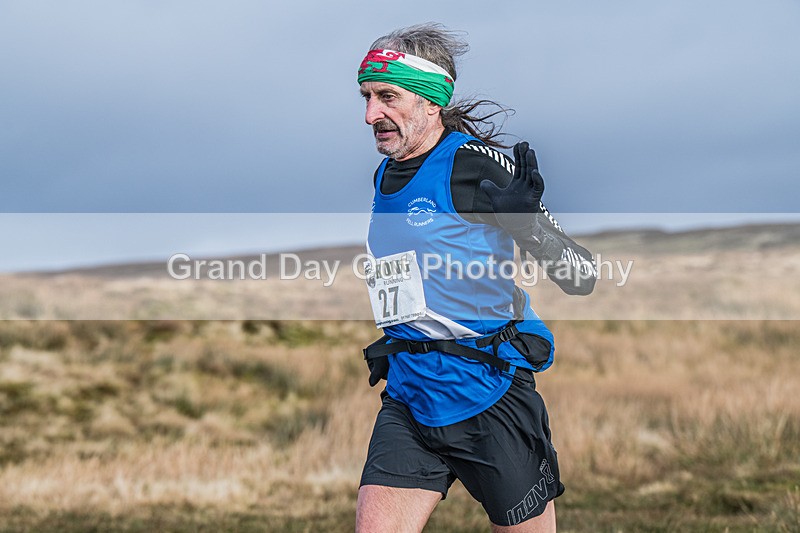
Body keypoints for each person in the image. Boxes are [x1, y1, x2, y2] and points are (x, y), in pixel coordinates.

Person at [356, 23, 597, 532]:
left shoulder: (471, 164)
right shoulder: (385, 173)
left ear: (430, 101)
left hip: (488, 393)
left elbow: (580, 276)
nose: (370, 114)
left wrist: (528, 226)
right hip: (410, 396)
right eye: (367, 96)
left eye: (386, 96)